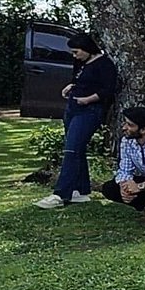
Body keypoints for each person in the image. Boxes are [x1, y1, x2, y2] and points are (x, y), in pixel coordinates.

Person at [34, 32, 118, 209]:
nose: (74, 56)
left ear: (87, 49)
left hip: (90, 111)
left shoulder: (104, 64)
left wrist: (88, 99)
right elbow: (78, 79)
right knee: (76, 150)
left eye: (76, 52)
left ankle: (60, 194)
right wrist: (71, 86)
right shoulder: (81, 62)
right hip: (73, 107)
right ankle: (80, 190)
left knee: (71, 150)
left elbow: (108, 90)